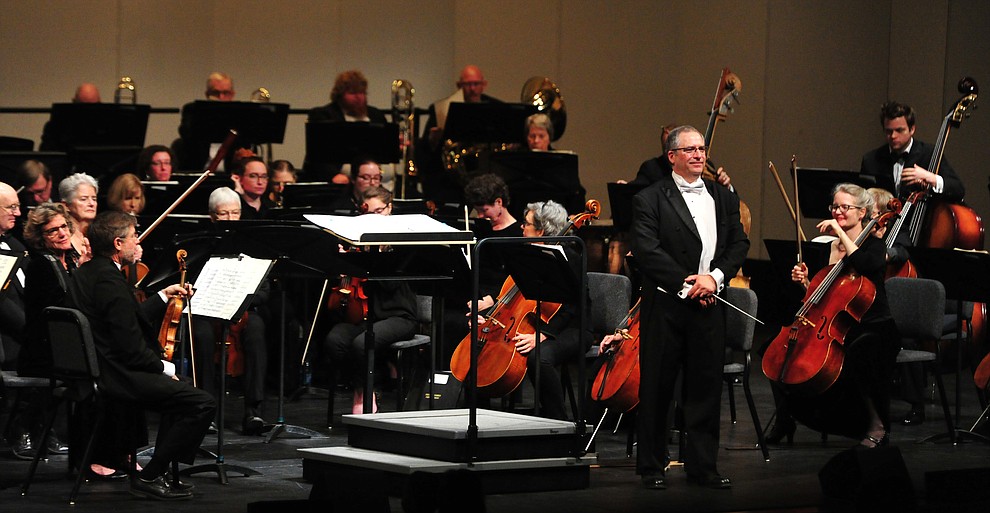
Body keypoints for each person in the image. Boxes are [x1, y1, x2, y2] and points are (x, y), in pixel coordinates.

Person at [627, 125, 748, 490]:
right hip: (667, 304)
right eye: (690, 149)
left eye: (702, 148)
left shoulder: (722, 196)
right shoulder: (649, 198)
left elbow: (739, 243)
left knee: (705, 389)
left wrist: (715, 278)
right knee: (657, 388)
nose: (699, 155)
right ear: (672, 157)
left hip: (710, 302)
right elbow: (648, 252)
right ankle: (651, 467)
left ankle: (703, 467)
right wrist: (689, 283)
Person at [73, 211, 216, 500]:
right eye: (133, 237)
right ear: (117, 244)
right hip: (118, 375)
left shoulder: (88, 273)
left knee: (184, 390)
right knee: (201, 402)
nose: (138, 242)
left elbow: (126, 320)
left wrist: (163, 296)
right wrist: (164, 367)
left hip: (103, 368)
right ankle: (150, 475)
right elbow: (131, 348)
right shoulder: (110, 282)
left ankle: (160, 471)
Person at [787, 183, 900, 448]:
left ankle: (876, 424)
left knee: (857, 357)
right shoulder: (828, 247)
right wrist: (805, 283)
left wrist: (839, 232)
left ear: (862, 213)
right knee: (784, 351)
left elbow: (864, 265)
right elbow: (827, 296)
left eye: (845, 207)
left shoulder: (873, 245)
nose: (838, 212)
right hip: (839, 324)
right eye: (835, 206)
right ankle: (788, 419)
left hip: (875, 327)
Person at [323, 186, 418, 414]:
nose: (373, 218)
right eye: (369, 213)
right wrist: (345, 262)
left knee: (362, 343)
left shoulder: (401, 243)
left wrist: (374, 255)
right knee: (334, 340)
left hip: (399, 315)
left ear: (389, 208)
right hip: (368, 315)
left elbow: (390, 284)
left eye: (378, 211)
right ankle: (363, 385)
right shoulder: (358, 240)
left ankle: (367, 391)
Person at [190, 187, 270, 435]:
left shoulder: (254, 243)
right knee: (201, 335)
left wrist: (243, 299)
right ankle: (206, 409)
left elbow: (265, 290)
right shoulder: (199, 244)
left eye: (235, 213)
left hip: (242, 309)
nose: (231, 219)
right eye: (224, 214)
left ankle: (253, 411)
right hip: (206, 309)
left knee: (256, 329)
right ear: (212, 217)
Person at [418, 65, 501, 203]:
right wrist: (433, 140)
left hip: (484, 171)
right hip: (451, 179)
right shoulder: (442, 108)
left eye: (476, 84)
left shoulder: (495, 107)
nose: (472, 89)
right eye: (468, 85)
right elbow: (427, 147)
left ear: (484, 85)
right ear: (459, 86)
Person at [860, 101, 965, 201]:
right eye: (888, 131)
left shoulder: (929, 153)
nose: (893, 136)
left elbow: (958, 189)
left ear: (912, 129)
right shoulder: (871, 160)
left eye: (899, 130)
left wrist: (931, 178)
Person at [306, 70, 389, 181]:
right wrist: (333, 175)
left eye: (362, 93)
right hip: (340, 178)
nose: (359, 97)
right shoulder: (324, 115)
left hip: (377, 176)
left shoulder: (376, 115)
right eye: (353, 93)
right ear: (339, 95)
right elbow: (318, 153)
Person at [173, 72, 241, 171]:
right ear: (207, 94)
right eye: (215, 93)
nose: (221, 97)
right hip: (197, 170)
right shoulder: (192, 110)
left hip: (231, 174)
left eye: (226, 93)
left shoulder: (240, 115)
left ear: (232, 94)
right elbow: (186, 133)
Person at [0, 182, 28, 370]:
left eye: (18, 206)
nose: (17, 213)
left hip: (28, 345)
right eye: (11, 207)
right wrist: (33, 331)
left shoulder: (16, 245)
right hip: (8, 348)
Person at [39, 83, 102, 152]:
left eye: (94, 106)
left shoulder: (108, 126)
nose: (89, 111)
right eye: (83, 106)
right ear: (74, 102)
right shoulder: (56, 126)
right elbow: (47, 155)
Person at [58, 173, 98, 260]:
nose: (91, 203)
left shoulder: (100, 236)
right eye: (84, 199)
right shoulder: (62, 238)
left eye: (94, 199)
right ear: (66, 205)